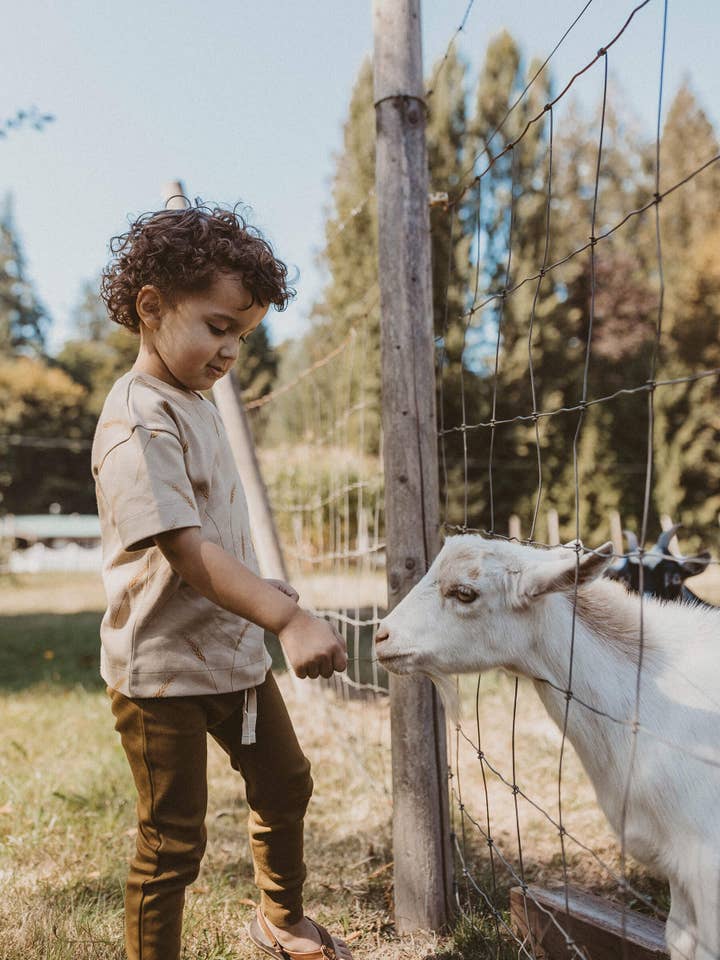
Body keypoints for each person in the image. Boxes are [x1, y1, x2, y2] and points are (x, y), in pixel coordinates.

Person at [91, 202, 353, 960]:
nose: (231, 349)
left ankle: (280, 916)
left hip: (231, 657)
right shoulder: (137, 419)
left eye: (242, 335)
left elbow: (218, 534)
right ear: (151, 307)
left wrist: (264, 596)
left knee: (285, 782)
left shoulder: (195, 402)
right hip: (161, 671)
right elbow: (186, 550)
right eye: (217, 326)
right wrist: (285, 617)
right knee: (172, 842)